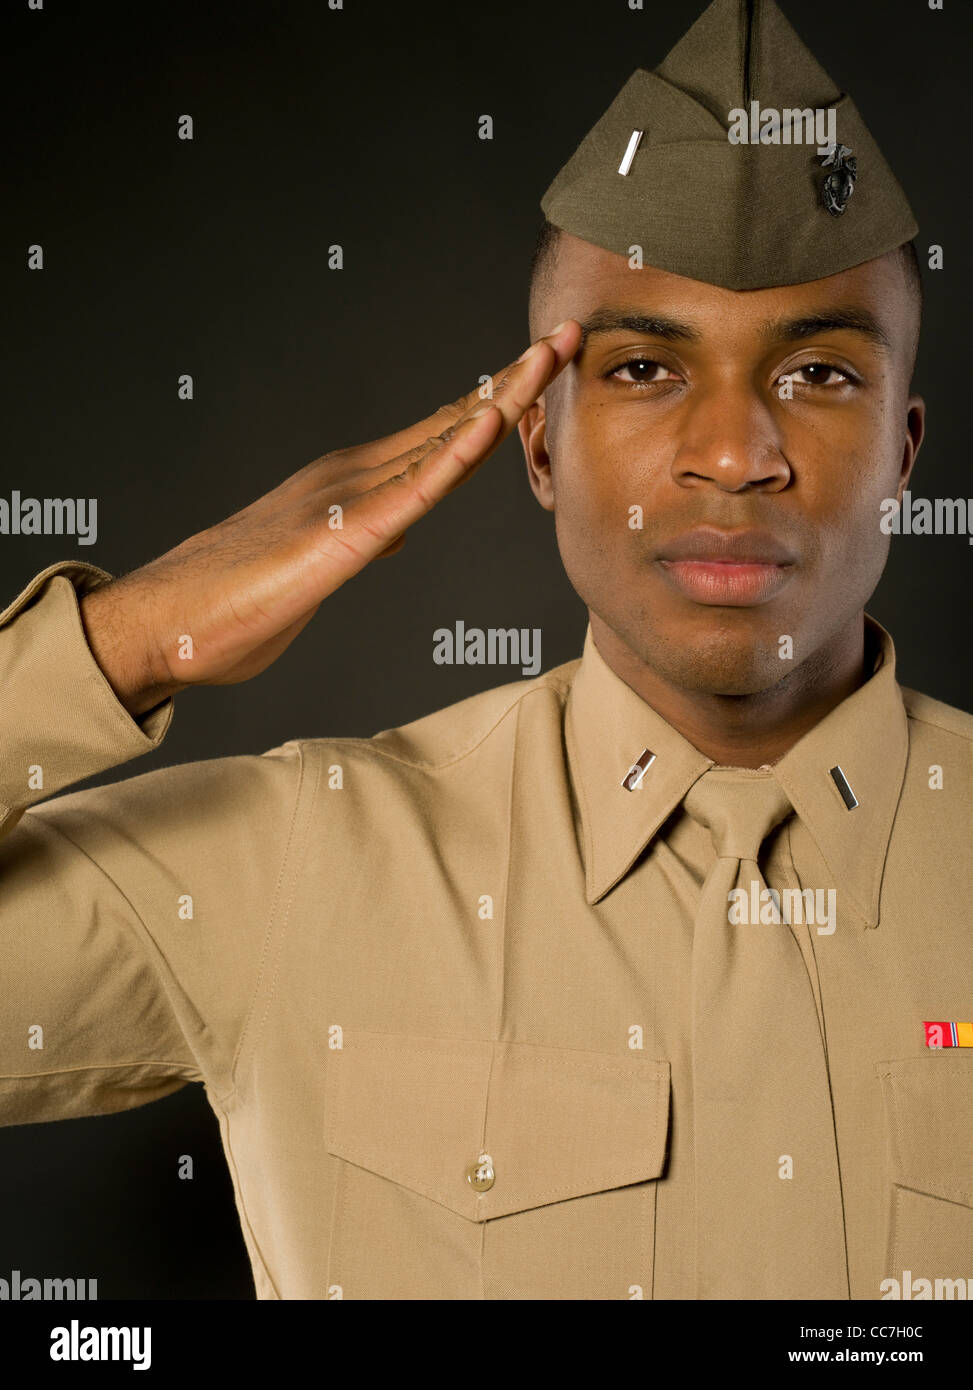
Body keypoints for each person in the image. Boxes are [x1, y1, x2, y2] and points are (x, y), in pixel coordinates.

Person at [1, 0, 970, 1300]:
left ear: (903, 456)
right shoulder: (301, 861)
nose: (736, 454)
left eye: (817, 375)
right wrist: (125, 640)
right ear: (537, 443)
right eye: (640, 367)